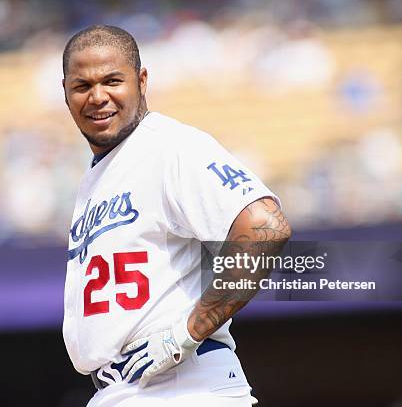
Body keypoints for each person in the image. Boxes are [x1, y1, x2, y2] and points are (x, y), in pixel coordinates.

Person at [62, 25, 291, 407]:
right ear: (66, 92)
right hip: (126, 389)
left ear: (141, 80)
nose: (98, 96)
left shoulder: (169, 146)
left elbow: (265, 226)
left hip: (183, 385)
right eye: (82, 86)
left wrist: (186, 332)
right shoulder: (100, 171)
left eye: (112, 81)